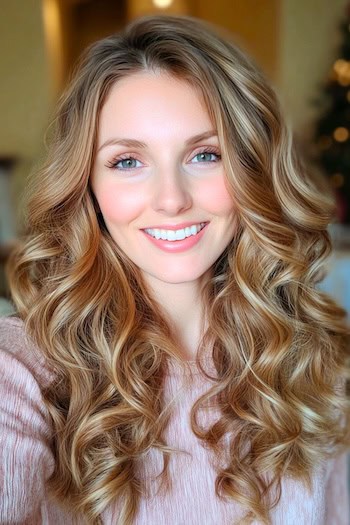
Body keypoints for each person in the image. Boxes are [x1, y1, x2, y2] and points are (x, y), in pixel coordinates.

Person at [0, 14, 349, 525]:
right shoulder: (23, 371)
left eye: (205, 154)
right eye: (127, 162)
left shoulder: (318, 363)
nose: (171, 200)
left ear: (250, 168)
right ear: (87, 186)